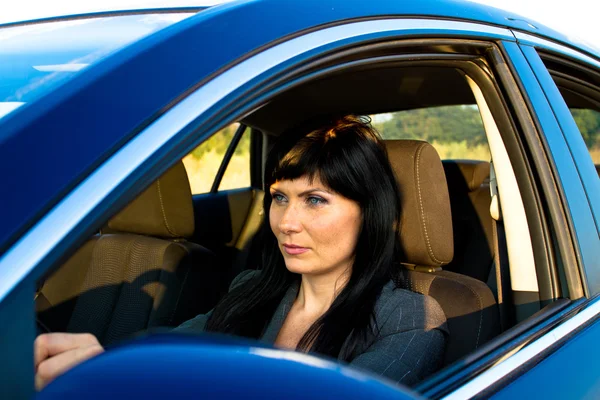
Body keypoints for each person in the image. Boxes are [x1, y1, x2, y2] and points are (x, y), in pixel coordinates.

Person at [34, 115, 448, 390]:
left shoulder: (412, 320)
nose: (286, 222)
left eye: (315, 200)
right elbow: (174, 353)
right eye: (279, 198)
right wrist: (103, 364)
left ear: (370, 213)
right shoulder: (254, 287)